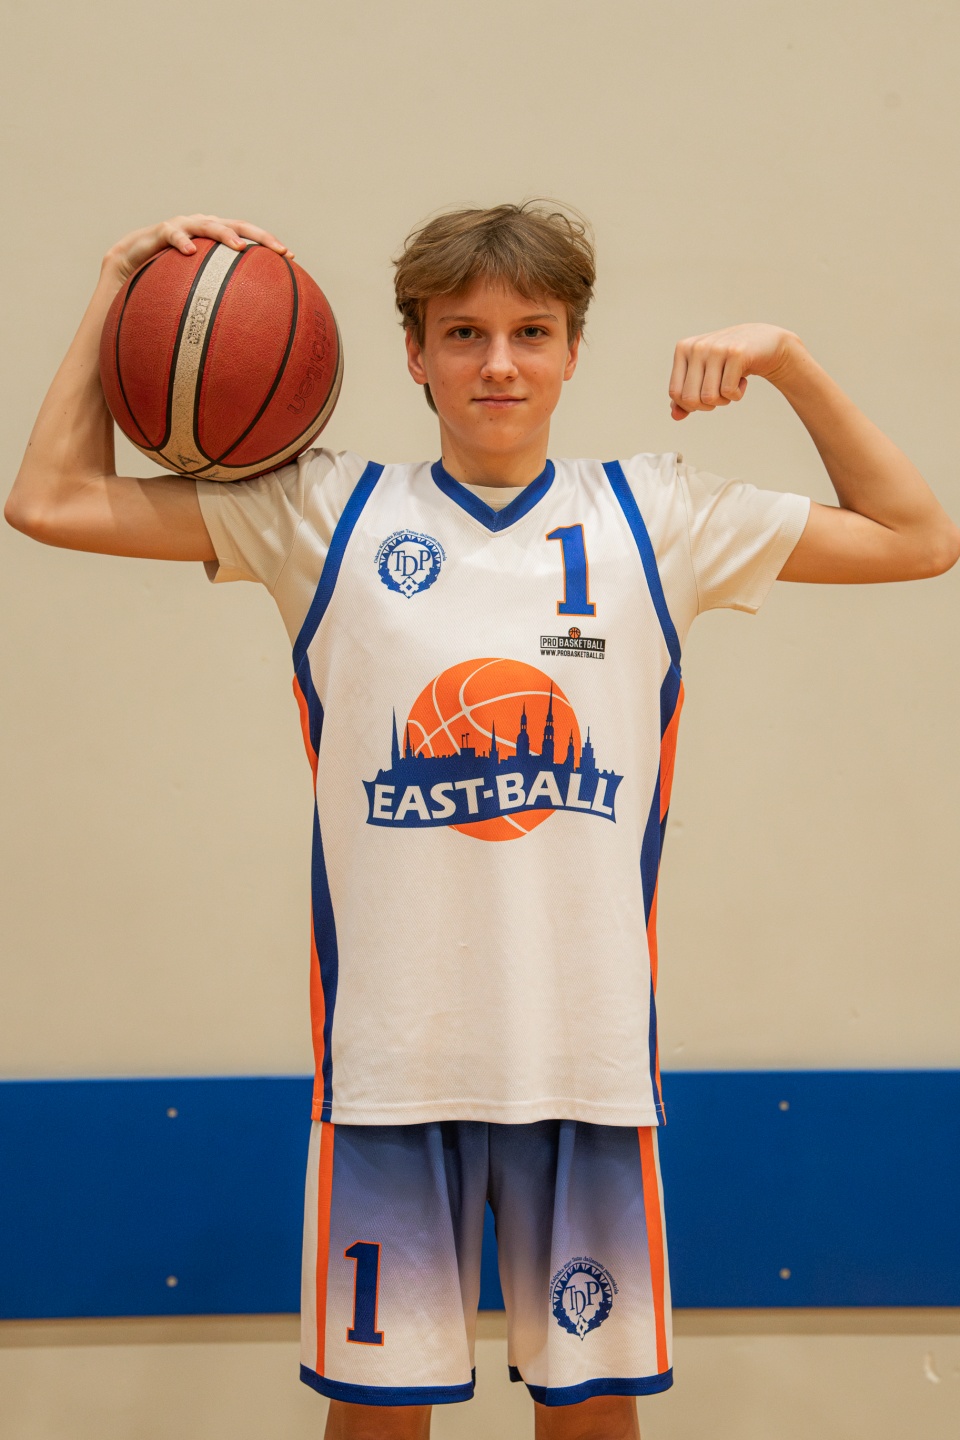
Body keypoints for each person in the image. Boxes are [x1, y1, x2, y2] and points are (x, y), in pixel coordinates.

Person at [6, 204, 959, 1440]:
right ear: (412, 352)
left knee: (592, 1422)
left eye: (531, 332)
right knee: (378, 1424)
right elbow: (51, 500)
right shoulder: (322, 514)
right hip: (393, 1070)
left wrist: (787, 360)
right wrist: (114, 286)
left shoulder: (656, 515)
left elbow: (919, 537)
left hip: (587, 1068)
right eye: (463, 333)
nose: (498, 363)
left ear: (573, 351)